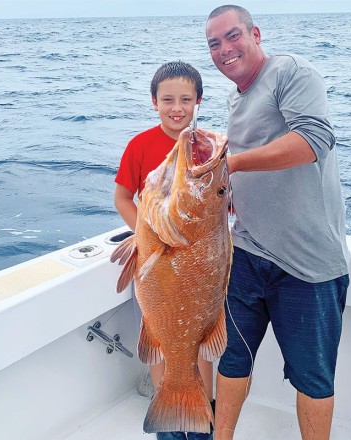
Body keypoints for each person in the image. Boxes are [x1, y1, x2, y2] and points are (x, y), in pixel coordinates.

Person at [205, 5, 350, 440]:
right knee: (232, 359)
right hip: (247, 252)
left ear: (255, 33)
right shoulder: (235, 98)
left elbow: (313, 140)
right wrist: (228, 192)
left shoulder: (292, 72)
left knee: (313, 379)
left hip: (308, 264)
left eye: (232, 36)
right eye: (214, 44)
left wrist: (229, 164)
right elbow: (249, 165)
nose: (225, 49)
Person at [114, 61, 213, 440]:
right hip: (154, 265)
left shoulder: (206, 148)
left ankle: (203, 411)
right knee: (158, 335)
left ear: (198, 102)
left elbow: (219, 209)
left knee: (202, 343)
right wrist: (143, 234)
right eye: (168, 99)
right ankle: (168, 407)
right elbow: (123, 196)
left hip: (197, 263)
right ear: (154, 102)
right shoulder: (140, 145)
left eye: (186, 99)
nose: (177, 108)